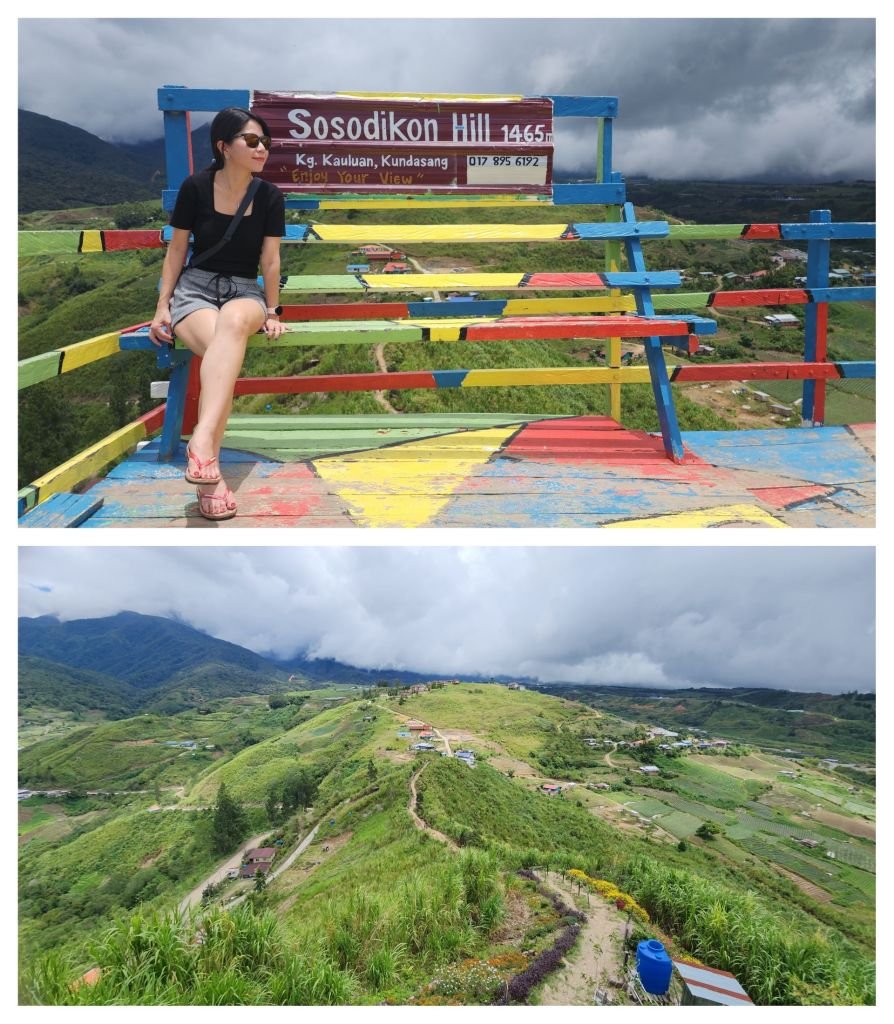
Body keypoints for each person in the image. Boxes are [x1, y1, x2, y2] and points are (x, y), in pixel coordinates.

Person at [149, 108, 286, 520]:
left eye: (265, 142)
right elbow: (177, 251)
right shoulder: (195, 188)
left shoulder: (269, 196)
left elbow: (271, 260)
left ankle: (202, 443)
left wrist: (274, 310)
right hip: (195, 289)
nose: (261, 149)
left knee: (229, 332)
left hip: (245, 291)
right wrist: (162, 307)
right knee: (222, 359)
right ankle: (211, 474)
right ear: (224, 147)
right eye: (252, 141)